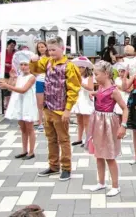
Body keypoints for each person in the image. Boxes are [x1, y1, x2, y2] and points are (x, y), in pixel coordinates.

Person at [30, 37, 81, 181]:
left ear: (62, 49)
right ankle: (53, 166)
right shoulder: (47, 62)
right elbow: (35, 69)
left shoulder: (69, 66)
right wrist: (33, 61)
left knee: (63, 139)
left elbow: (73, 89)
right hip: (48, 107)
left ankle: (66, 168)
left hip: (60, 109)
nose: (51, 52)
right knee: (50, 138)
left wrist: (68, 109)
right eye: (49, 50)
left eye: (53, 50)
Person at [87, 61, 128, 196]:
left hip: (109, 123)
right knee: (98, 154)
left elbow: (125, 108)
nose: (95, 76)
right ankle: (101, 182)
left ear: (105, 74)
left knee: (109, 155)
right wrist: (94, 93)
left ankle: (115, 185)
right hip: (98, 121)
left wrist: (123, 125)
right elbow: (101, 95)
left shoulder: (114, 91)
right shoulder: (100, 86)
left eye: (97, 74)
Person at [0, 51, 38, 160]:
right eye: (21, 65)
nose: (23, 67)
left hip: (28, 103)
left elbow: (23, 90)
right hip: (20, 103)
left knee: (29, 128)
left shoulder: (31, 77)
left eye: (25, 65)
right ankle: (24, 150)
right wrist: (11, 78)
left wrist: (7, 85)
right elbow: (11, 86)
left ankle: (31, 151)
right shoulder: (20, 76)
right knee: (22, 128)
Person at [71, 56, 95, 147]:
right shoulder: (75, 76)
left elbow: (90, 87)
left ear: (86, 68)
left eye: (82, 67)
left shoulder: (89, 76)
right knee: (79, 120)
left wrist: (80, 82)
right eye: (78, 67)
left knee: (86, 122)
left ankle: (88, 140)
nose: (80, 69)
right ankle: (79, 139)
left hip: (86, 100)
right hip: (78, 99)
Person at [0, 39, 17, 109]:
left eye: (13, 45)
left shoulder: (15, 52)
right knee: (5, 87)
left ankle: (10, 103)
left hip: (12, 71)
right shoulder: (3, 52)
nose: (12, 47)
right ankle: (7, 103)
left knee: (11, 86)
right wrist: (5, 64)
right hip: (3, 71)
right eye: (11, 45)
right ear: (7, 45)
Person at [34, 41, 48, 131]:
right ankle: (40, 122)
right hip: (39, 81)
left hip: (49, 81)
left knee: (49, 102)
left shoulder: (50, 57)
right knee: (40, 103)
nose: (41, 49)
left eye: (42, 47)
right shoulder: (36, 58)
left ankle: (48, 121)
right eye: (39, 47)